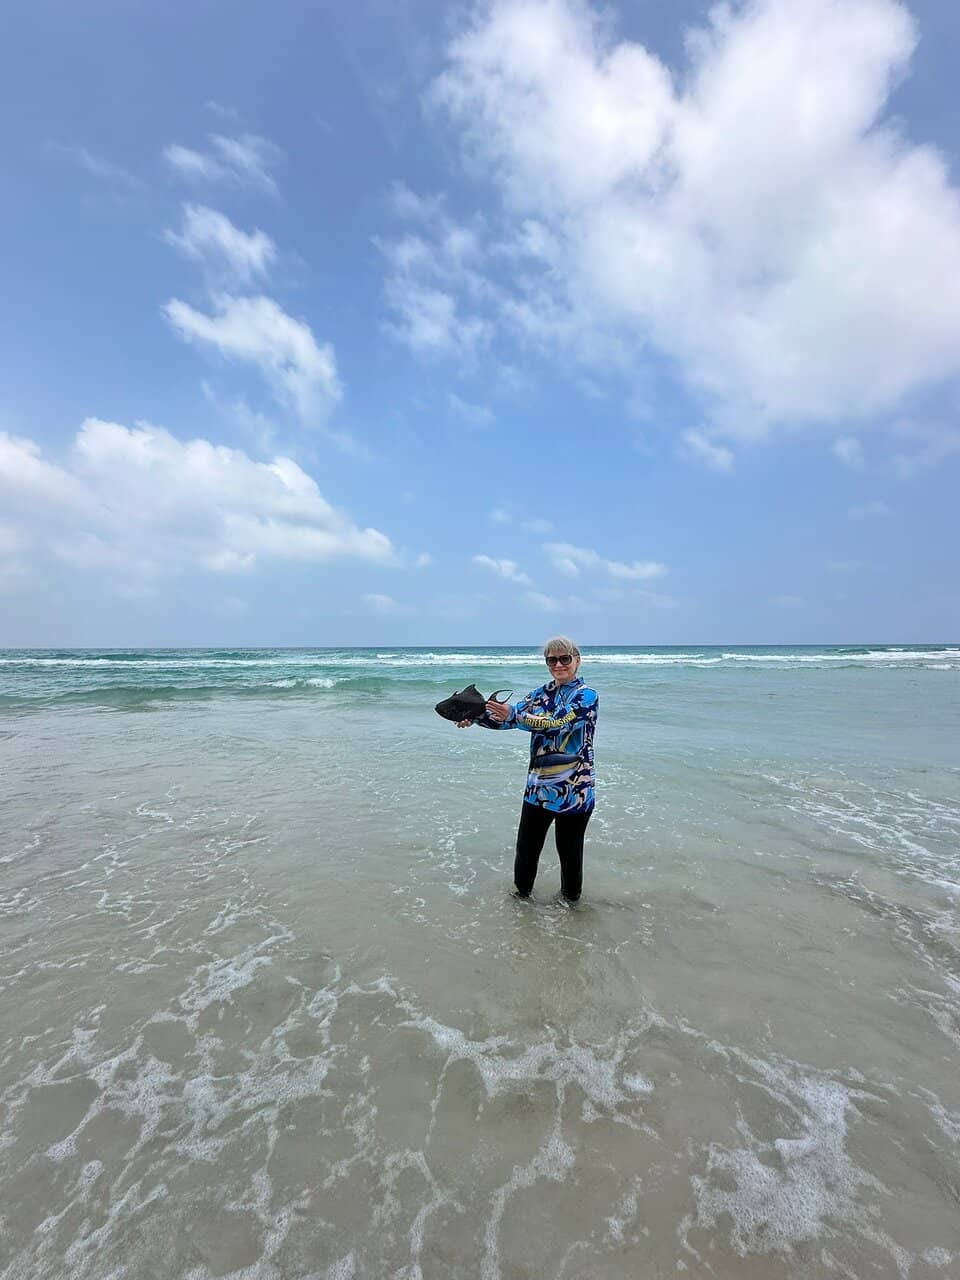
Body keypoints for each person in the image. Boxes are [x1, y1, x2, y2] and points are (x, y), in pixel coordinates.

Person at [458, 637, 598, 901]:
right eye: (552, 660)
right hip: (537, 789)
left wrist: (513, 714)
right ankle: (521, 904)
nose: (558, 665)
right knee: (526, 849)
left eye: (564, 658)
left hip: (574, 792)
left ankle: (571, 907)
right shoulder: (539, 694)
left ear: (577, 661)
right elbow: (507, 720)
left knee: (569, 854)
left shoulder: (587, 696)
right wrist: (474, 717)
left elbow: (556, 723)